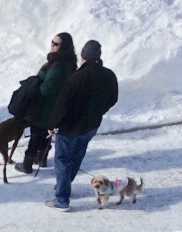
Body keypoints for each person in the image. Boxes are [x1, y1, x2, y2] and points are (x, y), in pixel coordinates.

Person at [45, 40, 120, 211]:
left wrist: (52, 124)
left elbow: (62, 106)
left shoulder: (75, 78)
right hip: (91, 126)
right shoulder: (109, 75)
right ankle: (64, 187)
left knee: (63, 160)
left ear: (83, 56)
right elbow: (113, 99)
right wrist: (98, 111)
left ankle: (62, 199)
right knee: (76, 157)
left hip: (70, 128)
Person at [19, 32, 76, 173]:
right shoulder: (65, 61)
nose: (52, 45)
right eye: (52, 42)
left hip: (45, 107)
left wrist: (35, 85)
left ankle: (27, 164)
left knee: (36, 134)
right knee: (45, 133)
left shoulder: (59, 65)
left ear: (64, 47)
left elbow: (47, 88)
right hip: (53, 107)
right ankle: (42, 159)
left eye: (56, 44)